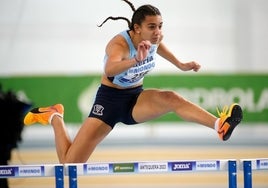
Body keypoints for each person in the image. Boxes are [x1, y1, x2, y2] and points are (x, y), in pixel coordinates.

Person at [24, 0, 243, 164]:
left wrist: (181, 64)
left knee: (171, 98)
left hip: (135, 98)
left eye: (160, 26)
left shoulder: (156, 38)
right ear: (137, 28)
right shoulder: (119, 44)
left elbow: (160, 48)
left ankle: (219, 125)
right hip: (108, 102)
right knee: (69, 164)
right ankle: (55, 116)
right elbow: (109, 69)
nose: (157, 32)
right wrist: (135, 60)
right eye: (152, 27)